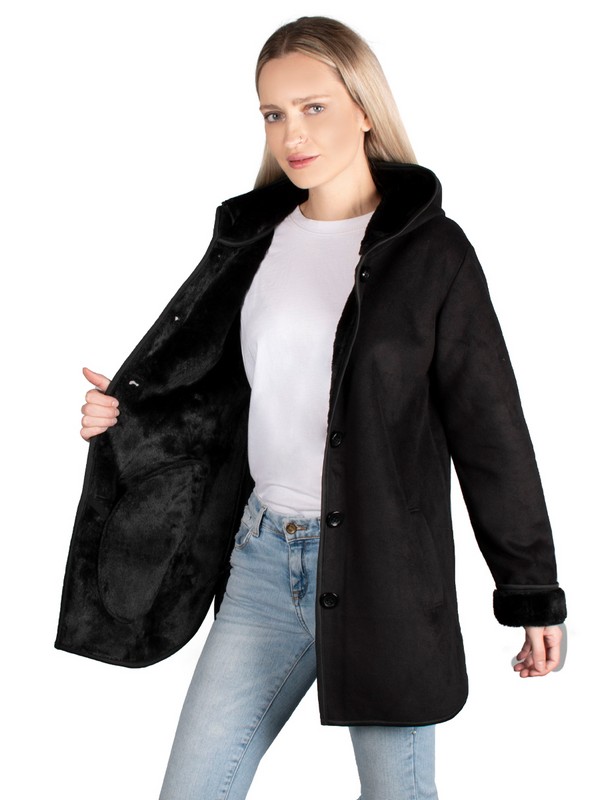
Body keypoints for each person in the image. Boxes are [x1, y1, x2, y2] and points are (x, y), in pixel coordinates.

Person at [56, 16, 566, 800]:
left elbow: (491, 434)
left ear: (364, 107)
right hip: (262, 560)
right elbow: (215, 397)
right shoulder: (253, 240)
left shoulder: (433, 254)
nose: (292, 133)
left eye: (313, 107)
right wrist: (126, 418)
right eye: (273, 113)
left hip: (383, 572)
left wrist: (531, 591)